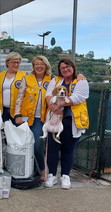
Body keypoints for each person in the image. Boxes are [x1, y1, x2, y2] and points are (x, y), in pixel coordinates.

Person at [44, 58, 89, 190]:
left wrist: (60, 103)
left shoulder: (81, 81)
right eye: (62, 68)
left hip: (71, 120)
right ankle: (52, 175)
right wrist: (52, 107)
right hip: (55, 118)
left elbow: (78, 97)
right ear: (59, 70)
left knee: (68, 149)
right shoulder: (56, 80)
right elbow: (48, 94)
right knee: (52, 148)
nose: (65, 69)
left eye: (68, 66)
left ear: (73, 67)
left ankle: (65, 175)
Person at [14, 56, 53, 182]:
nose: (39, 66)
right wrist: (17, 115)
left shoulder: (52, 80)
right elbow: (20, 97)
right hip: (25, 116)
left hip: (40, 118)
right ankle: (24, 169)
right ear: (33, 66)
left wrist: (80, 76)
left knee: (37, 145)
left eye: (41, 64)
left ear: (46, 65)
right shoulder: (27, 78)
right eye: (36, 64)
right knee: (22, 144)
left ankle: (42, 170)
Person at [0, 52, 27, 124]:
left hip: (17, 112)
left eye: (18, 62)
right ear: (7, 63)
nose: (16, 65)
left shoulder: (24, 75)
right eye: (13, 62)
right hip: (2, 110)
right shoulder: (0, 75)